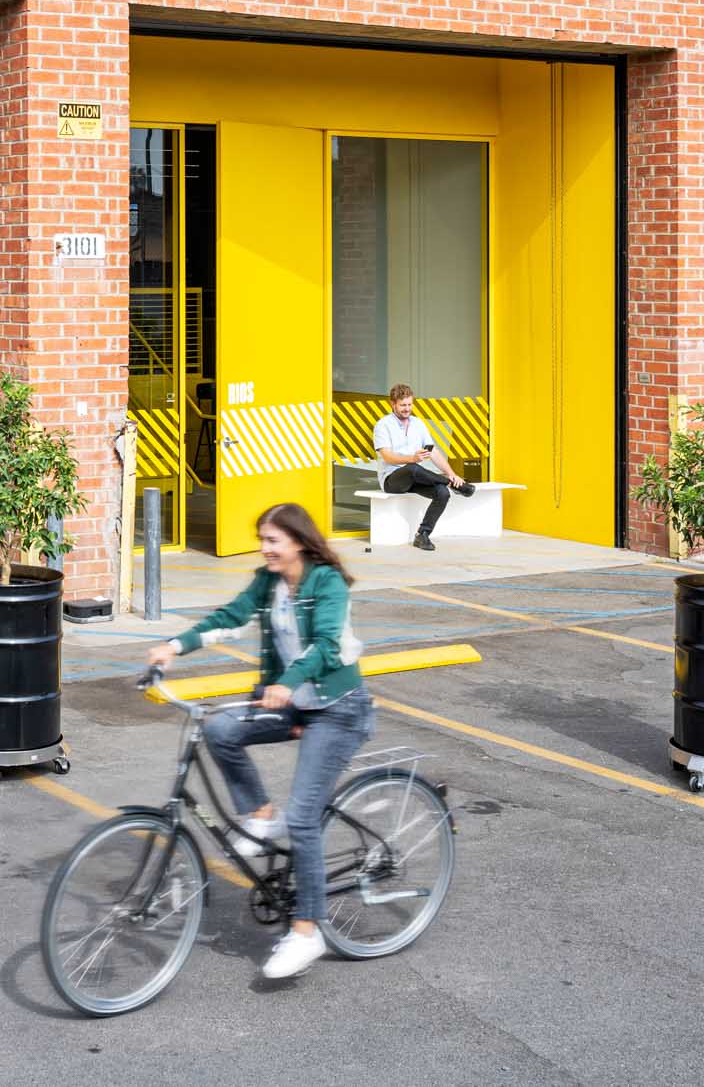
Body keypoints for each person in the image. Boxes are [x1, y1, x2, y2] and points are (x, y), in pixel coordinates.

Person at [145, 502, 372, 981]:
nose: (264, 548)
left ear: (298, 542)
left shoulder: (325, 583)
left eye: (272, 540)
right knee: (220, 728)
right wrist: (174, 646)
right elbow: (231, 616)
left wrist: (289, 681)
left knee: (306, 818)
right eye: (262, 539)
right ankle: (261, 816)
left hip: (337, 707)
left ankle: (306, 934)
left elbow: (326, 646)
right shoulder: (270, 582)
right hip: (290, 699)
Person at [372, 382, 473, 550]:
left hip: (416, 477)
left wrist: (452, 473)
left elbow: (432, 452)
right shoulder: (383, 425)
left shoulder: (418, 424)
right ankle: (450, 483)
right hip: (392, 480)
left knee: (442, 493)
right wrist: (412, 458)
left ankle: (423, 535)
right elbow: (387, 456)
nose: (407, 408)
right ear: (393, 404)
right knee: (412, 468)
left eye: (410, 404)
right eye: (403, 405)